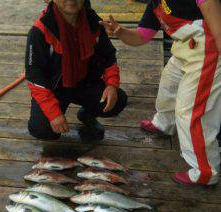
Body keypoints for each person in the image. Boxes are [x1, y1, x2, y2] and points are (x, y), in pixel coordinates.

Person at [101, 0, 221, 186]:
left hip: (209, 53)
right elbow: (141, 36)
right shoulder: (155, 3)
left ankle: (205, 172)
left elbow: (218, 31)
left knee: (190, 113)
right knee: (168, 84)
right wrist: (120, 31)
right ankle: (164, 123)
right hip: (185, 49)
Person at [26, 0, 127, 141]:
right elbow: (34, 76)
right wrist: (53, 113)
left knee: (118, 100)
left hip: (84, 83)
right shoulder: (39, 31)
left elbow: (108, 56)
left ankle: (86, 114)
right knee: (43, 130)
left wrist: (111, 85)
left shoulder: (93, 21)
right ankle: (52, 116)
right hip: (54, 88)